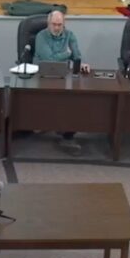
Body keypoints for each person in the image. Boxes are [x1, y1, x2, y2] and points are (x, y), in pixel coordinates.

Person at [33, 10, 91, 156]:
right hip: (42, 76)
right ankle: (48, 123)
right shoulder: (41, 36)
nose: (57, 28)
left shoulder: (70, 35)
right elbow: (49, 59)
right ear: (48, 24)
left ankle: (68, 134)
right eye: (54, 24)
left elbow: (76, 55)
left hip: (63, 75)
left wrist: (81, 63)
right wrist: (67, 53)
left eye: (60, 25)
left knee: (74, 98)